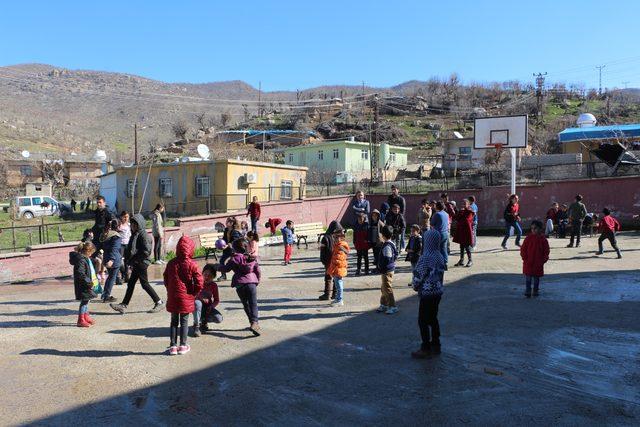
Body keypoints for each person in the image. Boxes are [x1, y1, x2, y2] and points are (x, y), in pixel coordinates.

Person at [110, 214, 164, 314]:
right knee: (131, 284)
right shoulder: (135, 234)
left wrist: (135, 259)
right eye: (133, 225)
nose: (133, 226)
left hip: (141, 262)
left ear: (140, 224)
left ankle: (159, 302)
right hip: (137, 262)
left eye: (135, 225)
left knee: (144, 284)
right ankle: (124, 305)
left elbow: (146, 252)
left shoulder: (143, 235)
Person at [163, 236, 203, 355]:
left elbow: (166, 278)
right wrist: (193, 292)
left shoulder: (171, 263)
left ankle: (173, 346)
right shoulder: (192, 264)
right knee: (184, 321)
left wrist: (170, 289)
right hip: (186, 296)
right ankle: (183, 345)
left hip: (173, 296)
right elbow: (199, 282)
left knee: (174, 321)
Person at [411, 228, 445, 359]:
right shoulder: (440, 256)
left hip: (426, 293)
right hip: (437, 292)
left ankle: (425, 347)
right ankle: (436, 344)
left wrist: (415, 285)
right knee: (433, 318)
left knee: (422, 320)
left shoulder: (425, 257)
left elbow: (418, 276)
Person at [217, 238, 262, 336]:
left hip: (240, 284)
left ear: (235, 249)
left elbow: (226, 269)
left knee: (246, 304)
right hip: (251, 283)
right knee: (253, 304)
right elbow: (257, 270)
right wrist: (257, 280)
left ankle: (252, 323)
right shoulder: (252, 258)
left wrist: (217, 266)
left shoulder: (234, 258)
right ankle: (255, 323)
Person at [70, 241, 98, 328]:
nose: (91, 255)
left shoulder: (84, 258)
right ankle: (81, 319)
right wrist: (89, 283)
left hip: (85, 284)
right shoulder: (81, 260)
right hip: (83, 285)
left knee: (87, 300)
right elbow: (81, 274)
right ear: (87, 251)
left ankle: (86, 316)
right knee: (84, 301)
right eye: (91, 253)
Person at [520, 220, 550, 298]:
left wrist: (544, 259)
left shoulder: (543, 239)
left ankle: (535, 290)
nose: (533, 230)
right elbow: (523, 249)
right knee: (528, 278)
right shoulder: (528, 238)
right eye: (532, 228)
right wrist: (524, 258)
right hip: (528, 262)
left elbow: (546, 251)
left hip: (538, 262)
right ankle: (528, 290)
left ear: (540, 229)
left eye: (535, 228)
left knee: (536, 279)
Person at [194, 264, 223, 337]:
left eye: (210, 276)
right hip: (197, 306)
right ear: (202, 274)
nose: (207, 277)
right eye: (205, 274)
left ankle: (204, 321)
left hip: (207, 307)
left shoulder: (214, 285)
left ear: (213, 277)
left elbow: (216, 300)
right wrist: (200, 298)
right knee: (198, 303)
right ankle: (197, 326)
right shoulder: (198, 282)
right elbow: (192, 295)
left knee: (219, 318)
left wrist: (212, 306)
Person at [377, 226, 399, 314]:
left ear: (383, 235)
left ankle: (393, 306)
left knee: (387, 287)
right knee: (383, 287)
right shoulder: (390, 243)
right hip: (387, 269)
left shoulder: (387, 246)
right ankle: (384, 304)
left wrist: (381, 266)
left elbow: (388, 258)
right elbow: (396, 255)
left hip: (387, 270)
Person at [100, 219, 122, 303]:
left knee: (109, 277)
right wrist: (112, 259)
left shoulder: (106, 235)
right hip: (113, 260)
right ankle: (106, 296)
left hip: (106, 258)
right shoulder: (116, 236)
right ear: (118, 226)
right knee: (112, 278)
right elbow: (115, 248)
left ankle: (105, 294)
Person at [319, 221, 342, 300]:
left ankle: (327, 294)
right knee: (336, 277)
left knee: (328, 277)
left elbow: (322, 250)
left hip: (329, 260)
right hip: (336, 260)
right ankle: (334, 294)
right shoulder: (339, 237)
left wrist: (322, 260)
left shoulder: (325, 237)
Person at [327, 227, 349, 307]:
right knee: (337, 284)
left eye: (336, 237)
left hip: (339, 268)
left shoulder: (341, 246)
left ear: (341, 237)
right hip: (336, 268)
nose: (335, 239)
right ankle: (337, 299)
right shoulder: (337, 245)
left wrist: (335, 263)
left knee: (339, 284)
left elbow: (340, 258)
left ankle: (340, 300)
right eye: (334, 237)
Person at [453, 199, 475, 267]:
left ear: (468, 204)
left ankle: (470, 260)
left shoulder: (470, 212)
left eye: (465, 204)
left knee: (467, 246)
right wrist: (459, 212)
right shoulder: (461, 211)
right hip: (461, 231)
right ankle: (461, 260)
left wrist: (461, 214)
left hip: (467, 232)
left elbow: (467, 220)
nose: (463, 205)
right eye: (462, 203)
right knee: (461, 246)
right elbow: (456, 218)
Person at [430, 202, 450, 269]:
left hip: (438, 233)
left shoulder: (436, 214)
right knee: (443, 249)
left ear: (437, 207)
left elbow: (432, 224)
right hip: (445, 233)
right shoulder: (446, 214)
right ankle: (445, 263)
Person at [118, 211, 131, 284]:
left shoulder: (129, 225)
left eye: (127, 217)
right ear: (121, 217)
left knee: (127, 261)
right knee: (120, 261)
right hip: (120, 245)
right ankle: (123, 273)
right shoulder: (119, 225)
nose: (126, 218)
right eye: (124, 217)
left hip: (128, 244)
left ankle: (126, 276)